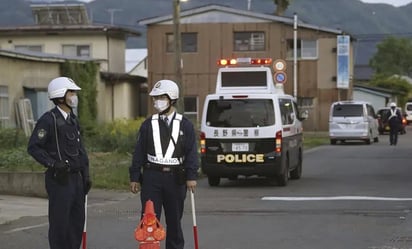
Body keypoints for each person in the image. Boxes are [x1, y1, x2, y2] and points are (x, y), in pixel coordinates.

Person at [129, 79, 199, 249]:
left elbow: (191, 152)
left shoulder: (185, 124)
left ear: (171, 98)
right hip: (152, 177)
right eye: (155, 98)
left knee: (174, 221)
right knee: (149, 220)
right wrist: (135, 176)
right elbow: (138, 152)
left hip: (176, 178)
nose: (156, 101)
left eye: (160, 97)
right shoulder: (148, 124)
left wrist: (191, 176)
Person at [27, 77, 92, 249]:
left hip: (76, 180)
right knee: (60, 226)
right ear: (60, 96)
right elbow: (34, 147)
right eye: (71, 92)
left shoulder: (73, 120)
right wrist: (53, 163)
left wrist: (86, 175)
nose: (74, 96)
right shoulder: (48, 120)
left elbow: (81, 150)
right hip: (59, 180)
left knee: (77, 224)